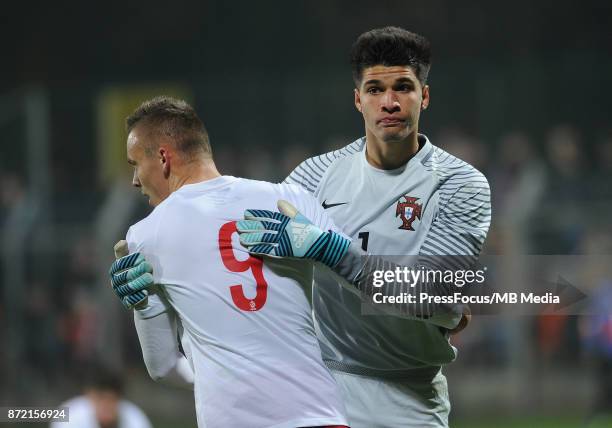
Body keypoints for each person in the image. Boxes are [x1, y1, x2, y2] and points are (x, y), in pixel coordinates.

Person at [240, 26, 491, 427]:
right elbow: (251, 257)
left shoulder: (459, 184)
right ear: (358, 100)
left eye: (403, 88)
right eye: (374, 89)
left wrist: (329, 251)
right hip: (319, 389)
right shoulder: (313, 176)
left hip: (409, 398)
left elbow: (435, 297)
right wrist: (156, 294)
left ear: (424, 96)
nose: (388, 102)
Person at [108, 96, 349, 428]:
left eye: (135, 163)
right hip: (320, 416)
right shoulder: (290, 198)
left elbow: (162, 367)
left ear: (164, 157)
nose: (135, 180)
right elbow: (365, 279)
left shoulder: (146, 235)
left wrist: (144, 305)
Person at [51, 366, 152, 428]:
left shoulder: (135, 419)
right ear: (90, 396)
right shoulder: (70, 416)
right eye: (100, 398)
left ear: (120, 399)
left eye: (111, 400)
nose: (105, 405)